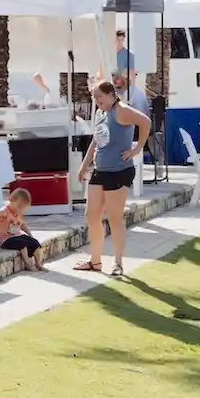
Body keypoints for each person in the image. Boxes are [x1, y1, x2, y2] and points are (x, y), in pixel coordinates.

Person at [74, 81, 150, 278]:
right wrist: (84, 165)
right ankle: (95, 261)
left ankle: (118, 263)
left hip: (118, 171)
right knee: (91, 216)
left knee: (115, 218)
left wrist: (137, 148)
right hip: (100, 170)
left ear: (110, 94)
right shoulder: (101, 113)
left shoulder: (121, 111)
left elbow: (145, 122)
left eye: (99, 97)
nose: (96, 101)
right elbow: (95, 141)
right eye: (94, 97)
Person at [0, 187, 43, 272]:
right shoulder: (5, 211)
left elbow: (22, 224)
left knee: (35, 243)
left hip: (17, 236)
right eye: (19, 206)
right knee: (22, 243)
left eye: (22, 208)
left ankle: (38, 263)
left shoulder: (17, 213)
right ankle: (27, 263)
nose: (19, 209)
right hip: (5, 239)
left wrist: (30, 234)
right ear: (11, 200)